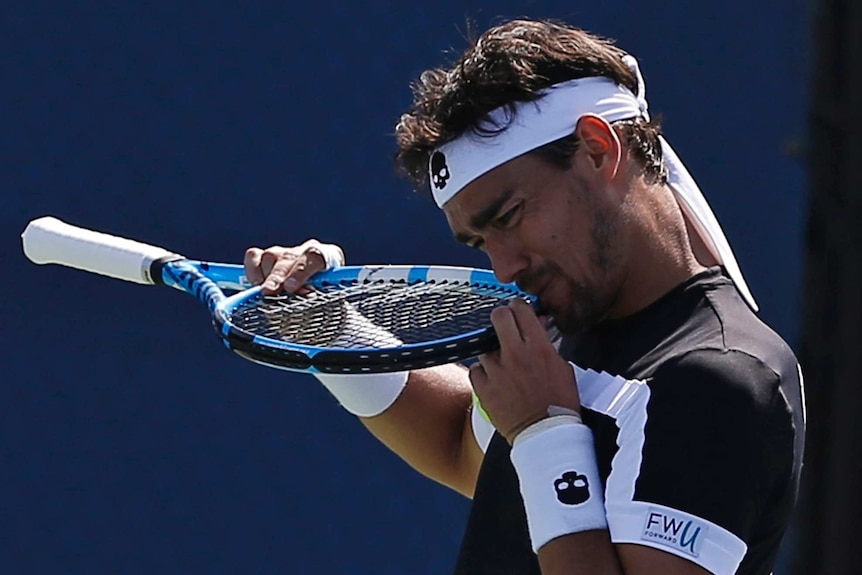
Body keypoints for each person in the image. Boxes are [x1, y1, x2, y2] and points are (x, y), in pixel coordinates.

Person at [243, 19, 805, 575]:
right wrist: (327, 325)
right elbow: (460, 445)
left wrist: (545, 436)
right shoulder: (564, 322)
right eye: (480, 241)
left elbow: (532, 446)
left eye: (510, 217)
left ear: (597, 149)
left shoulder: (722, 380)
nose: (504, 267)